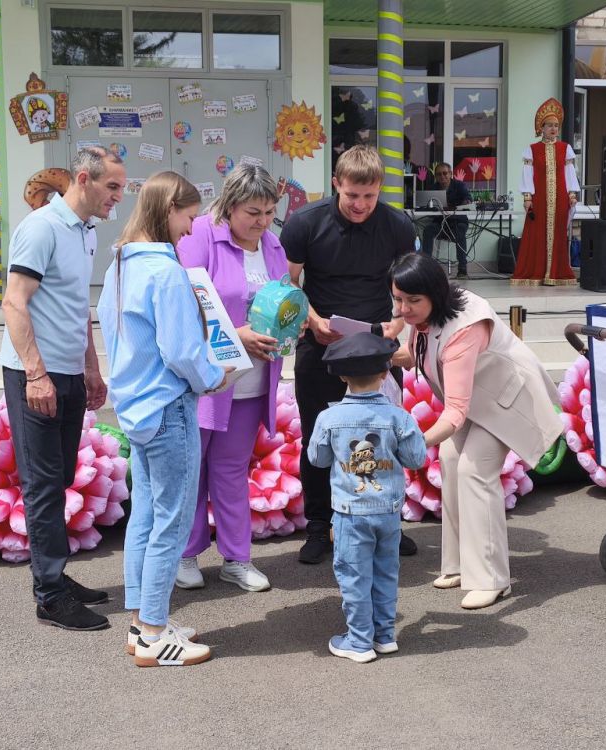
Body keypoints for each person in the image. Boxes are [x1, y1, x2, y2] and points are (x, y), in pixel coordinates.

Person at [97, 171, 231, 668]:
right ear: (170, 208)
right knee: (171, 522)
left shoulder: (119, 264)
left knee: (147, 516)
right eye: (189, 217)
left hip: (135, 407)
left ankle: (141, 624)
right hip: (169, 407)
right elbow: (181, 351)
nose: (191, 229)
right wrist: (214, 376)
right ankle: (154, 632)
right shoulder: (166, 271)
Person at [390, 253, 562, 609]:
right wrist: (369, 351)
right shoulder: (423, 315)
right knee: (451, 459)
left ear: (435, 294)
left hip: (507, 402)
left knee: (474, 470)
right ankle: (458, 565)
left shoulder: (464, 329)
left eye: (412, 301)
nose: (403, 309)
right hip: (476, 400)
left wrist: (414, 443)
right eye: (398, 299)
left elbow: (454, 412)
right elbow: (414, 351)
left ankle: (491, 579)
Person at [0, 146, 125, 631]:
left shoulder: (86, 231)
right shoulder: (42, 228)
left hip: (68, 372)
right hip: (36, 374)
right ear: (84, 179)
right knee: (43, 483)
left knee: (60, 477)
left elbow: (76, 306)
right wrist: (36, 374)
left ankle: (54, 574)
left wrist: (91, 368)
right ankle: (50, 596)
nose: (118, 196)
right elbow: (14, 302)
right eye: (112, 186)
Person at [280, 144, 418, 565]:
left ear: (380, 189)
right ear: (336, 184)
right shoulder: (305, 223)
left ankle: (387, 522)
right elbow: (286, 283)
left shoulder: (397, 225)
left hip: (377, 344)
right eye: (352, 195)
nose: (360, 205)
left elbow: (412, 283)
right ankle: (319, 526)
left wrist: (399, 325)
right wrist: (312, 320)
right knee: (317, 437)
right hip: (321, 343)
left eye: (369, 196)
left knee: (382, 436)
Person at [174, 164, 288, 593]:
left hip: (253, 381)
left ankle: (237, 559)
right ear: (229, 205)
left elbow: (283, 299)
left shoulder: (272, 244)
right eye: (252, 213)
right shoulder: (202, 235)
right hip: (207, 381)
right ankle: (185, 555)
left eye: (269, 212)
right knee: (191, 470)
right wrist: (235, 334)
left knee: (231, 470)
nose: (262, 222)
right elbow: (184, 302)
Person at [307, 332, 426, 663]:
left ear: (342, 376)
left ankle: (359, 641)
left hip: (350, 512)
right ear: (385, 373)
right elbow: (416, 459)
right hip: (388, 511)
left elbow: (317, 459)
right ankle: (384, 635)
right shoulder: (399, 417)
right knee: (386, 572)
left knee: (354, 575)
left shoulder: (329, 418)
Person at [511, 98, 579, 286]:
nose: (553, 129)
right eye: (549, 125)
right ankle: (537, 272)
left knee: (559, 234)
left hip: (560, 199)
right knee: (537, 234)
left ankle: (556, 273)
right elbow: (527, 174)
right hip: (539, 199)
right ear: (541, 127)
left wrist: (572, 194)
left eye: (556, 125)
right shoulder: (532, 150)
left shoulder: (565, 148)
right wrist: (527, 197)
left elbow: (569, 173)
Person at [419, 162, 471, 279]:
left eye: (445, 173)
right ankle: (426, 268)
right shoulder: (433, 188)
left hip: (458, 222)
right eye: (439, 174)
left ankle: (462, 269)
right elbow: (426, 206)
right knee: (428, 230)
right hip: (440, 223)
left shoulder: (460, 186)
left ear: (450, 174)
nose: (442, 176)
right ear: (436, 177)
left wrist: (464, 203)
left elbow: (468, 199)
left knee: (460, 231)